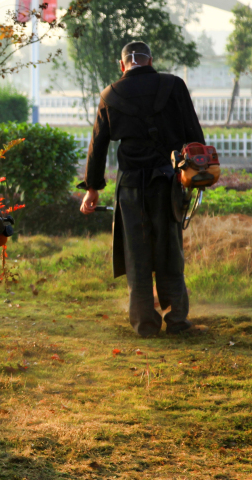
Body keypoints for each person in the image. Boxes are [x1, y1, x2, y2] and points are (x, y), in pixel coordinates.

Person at [80, 41, 205, 337]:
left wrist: (92, 188)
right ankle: (177, 321)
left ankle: (145, 324)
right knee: (169, 250)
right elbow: (194, 134)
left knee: (136, 253)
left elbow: (97, 147)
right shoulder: (174, 86)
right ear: (150, 61)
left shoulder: (110, 94)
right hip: (167, 181)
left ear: (122, 65)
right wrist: (198, 172)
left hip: (131, 186)